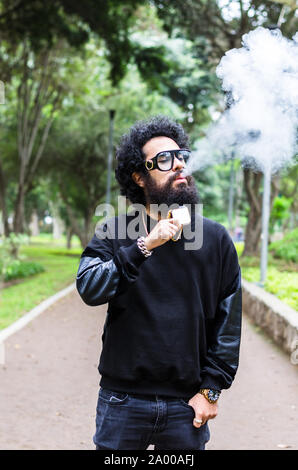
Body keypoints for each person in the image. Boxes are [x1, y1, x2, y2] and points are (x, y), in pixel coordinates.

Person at [76, 115, 242, 450]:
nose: (178, 164)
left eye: (181, 156)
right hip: (122, 402)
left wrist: (210, 391)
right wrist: (143, 246)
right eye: (164, 159)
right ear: (139, 176)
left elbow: (229, 326)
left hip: (186, 407)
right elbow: (90, 287)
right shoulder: (114, 231)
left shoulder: (216, 238)